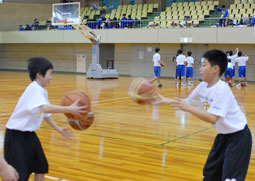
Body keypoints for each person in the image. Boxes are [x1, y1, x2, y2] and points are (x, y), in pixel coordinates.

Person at [155, 49, 252, 181]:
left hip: (239, 137)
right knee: (210, 174)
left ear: (215, 69)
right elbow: (187, 102)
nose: (200, 69)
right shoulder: (202, 87)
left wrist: (189, 108)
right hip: (222, 136)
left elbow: (213, 118)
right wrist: (165, 100)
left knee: (230, 178)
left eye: (204, 65)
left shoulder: (221, 89)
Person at [4, 57, 86, 181]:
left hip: (29, 135)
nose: (51, 77)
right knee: (19, 175)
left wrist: (59, 129)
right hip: (15, 136)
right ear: (39, 75)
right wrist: (69, 109)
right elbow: (46, 108)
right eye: (50, 73)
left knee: (41, 166)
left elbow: (45, 114)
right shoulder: (34, 88)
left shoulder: (42, 91)